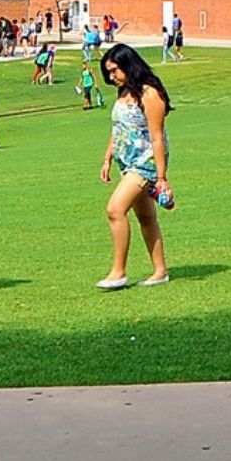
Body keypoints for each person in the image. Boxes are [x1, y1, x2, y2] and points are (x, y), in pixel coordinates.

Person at [97, 43, 175, 289]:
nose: (112, 77)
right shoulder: (123, 93)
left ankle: (118, 272)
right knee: (146, 217)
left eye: (115, 70)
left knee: (115, 210)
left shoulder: (150, 95)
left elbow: (156, 137)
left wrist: (161, 177)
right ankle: (160, 271)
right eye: (109, 72)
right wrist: (108, 157)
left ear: (128, 65)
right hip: (127, 162)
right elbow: (117, 128)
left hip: (145, 163)